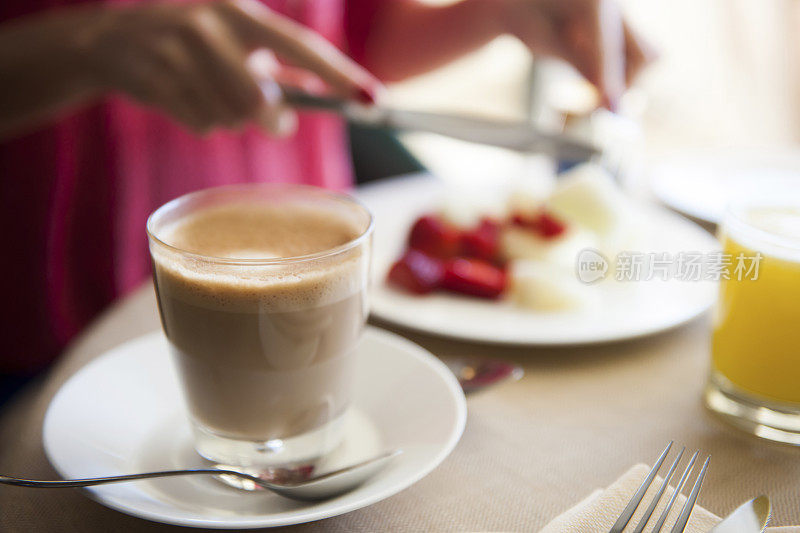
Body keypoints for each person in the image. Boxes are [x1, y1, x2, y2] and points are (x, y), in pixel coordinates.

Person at [0, 0, 652, 379]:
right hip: (51, 330)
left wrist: (493, 11)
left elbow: (346, 38)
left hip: (318, 296)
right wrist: (84, 45)